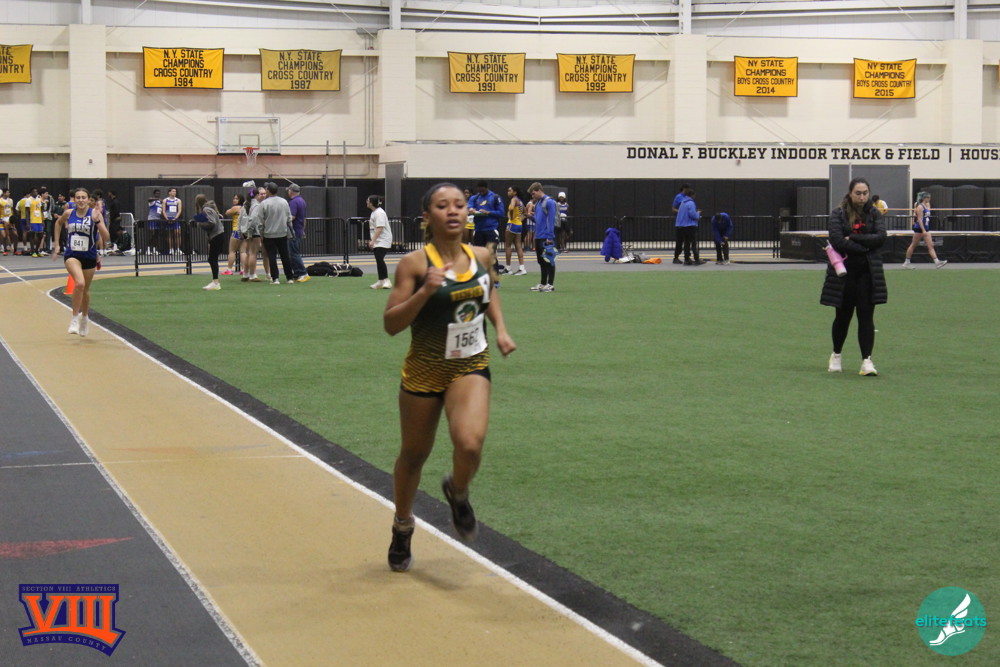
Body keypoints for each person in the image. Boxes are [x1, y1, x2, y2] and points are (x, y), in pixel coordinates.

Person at [382, 182, 516, 572]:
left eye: (460, 204)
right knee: (414, 455)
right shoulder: (413, 264)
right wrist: (425, 291)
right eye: (443, 206)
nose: (454, 211)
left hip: (469, 365)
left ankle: (458, 492)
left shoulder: (482, 255)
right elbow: (391, 324)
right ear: (427, 217)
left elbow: (490, 292)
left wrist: (501, 329)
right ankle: (402, 525)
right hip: (425, 370)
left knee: (470, 444)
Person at [821, 177, 887, 376]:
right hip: (844, 275)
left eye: (865, 193)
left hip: (868, 274)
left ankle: (867, 361)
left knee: (866, 317)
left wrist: (855, 238)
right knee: (842, 317)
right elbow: (837, 240)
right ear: (850, 193)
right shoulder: (838, 214)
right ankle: (836, 355)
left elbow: (881, 237)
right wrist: (865, 247)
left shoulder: (874, 213)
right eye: (858, 193)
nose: (862, 197)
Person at [52, 188, 110, 337]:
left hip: (89, 255)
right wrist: (57, 244)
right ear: (74, 199)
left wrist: (97, 221)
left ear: (88, 199)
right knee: (79, 283)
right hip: (72, 255)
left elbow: (106, 237)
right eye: (78, 197)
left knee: (85, 290)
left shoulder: (94, 214)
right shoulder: (69, 213)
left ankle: (84, 318)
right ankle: (74, 319)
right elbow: (58, 223)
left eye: (83, 197)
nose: (81, 200)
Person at [258, 181, 295, 284]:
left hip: (268, 234)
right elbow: (289, 218)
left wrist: (261, 233)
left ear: (268, 190)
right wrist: (290, 231)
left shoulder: (264, 203)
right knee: (285, 256)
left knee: (272, 257)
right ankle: (289, 277)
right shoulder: (284, 202)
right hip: (282, 233)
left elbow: (260, 221)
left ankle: (275, 278)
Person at [467, 180, 505, 275]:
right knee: (479, 255)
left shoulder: (495, 197)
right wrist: (470, 210)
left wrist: (488, 212)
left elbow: (501, 213)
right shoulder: (474, 198)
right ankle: (481, 277)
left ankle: (495, 279)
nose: (481, 192)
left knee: (491, 254)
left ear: (486, 188)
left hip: (491, 229)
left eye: (483, 190)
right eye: (479, 191)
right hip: (478, 230)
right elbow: (468, 207)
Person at [902, 192, 948, 269]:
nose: (929, 199)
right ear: (924, 198)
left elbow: (927, 214)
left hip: (926, 228)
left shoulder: (926, 205)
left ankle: (937, 262)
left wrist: (925, 229)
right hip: (920, 228)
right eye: (928, 198)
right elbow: (919, 219)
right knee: (913, 245)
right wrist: (923, 230)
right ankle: (907, 262)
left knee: (930, 245)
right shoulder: (920, 207)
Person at [191, 193, 226, 291]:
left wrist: (199, 224)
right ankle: (215, 281)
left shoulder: (206, 209)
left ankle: (216, 282)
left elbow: (211, 222)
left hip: (216, 235)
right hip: (217, 235)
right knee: (212, 259)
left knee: (212, 259)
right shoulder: (210, 208)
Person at [528, 182, 557, 292]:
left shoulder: (549, 202)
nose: (533, 196)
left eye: (533, 193)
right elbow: (538, 220)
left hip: (546, 236)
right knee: (541, 261)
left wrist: (550, 237)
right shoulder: (538, 203)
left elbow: (551, 220)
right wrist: (530, 216)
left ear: (539, 190)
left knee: (549, 260)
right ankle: (543, 283)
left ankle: (550, 284)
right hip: (538, 235)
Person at [367, 194, 393, 289]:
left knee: (379, 258)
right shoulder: (374, 212)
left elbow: (380, 227)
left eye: (368, 200)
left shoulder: (379, 213)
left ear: (371, 203)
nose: (366, 202)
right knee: (378, 259)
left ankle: (387, 280)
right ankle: (381, 281)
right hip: (378, 240)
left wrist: (372, 240)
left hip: (383, 240)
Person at [286, 183, 310, 282]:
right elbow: (304, 218)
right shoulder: (302, 201)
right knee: (293, 253)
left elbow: (292, 216)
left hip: (293, 231)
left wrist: (281, 221)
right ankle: (297, 273)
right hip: (299, 230)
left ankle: (303, 273)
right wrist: (303, 230)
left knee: (294, 253)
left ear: (290, 191)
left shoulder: (293, 202)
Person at [675, 187, 704, 265]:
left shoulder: (682, 203)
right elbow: (693, 215)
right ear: (692, 195)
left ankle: (687, 259)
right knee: (693, 243)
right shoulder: (691, 203)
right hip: (690, 226)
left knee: (686, 243)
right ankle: (696, 259)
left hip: (682, 226)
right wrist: (698, 214)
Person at [503, 186, 527, 276]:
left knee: (508, 246)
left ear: (515, 192)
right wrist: (520, 219)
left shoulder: (514, 199)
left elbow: (511, 208)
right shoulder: (520, 201)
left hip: (512, 224)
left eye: (510, 190)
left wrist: (512, 217)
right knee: (518, 246)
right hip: (518, 224)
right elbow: (525, 213)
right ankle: (522, 268)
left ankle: (508, 268)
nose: (508, 192)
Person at [223, 193, 244, 276]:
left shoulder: (236, 208)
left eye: (237, 198)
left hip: (236, 231)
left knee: (232, 251)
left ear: (240, 200)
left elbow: (227, 213)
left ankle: (229, 269)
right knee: (243, 252)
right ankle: (244, 270)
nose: (234, 200)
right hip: (244, 231)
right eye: (234, 198)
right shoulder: (245, 208)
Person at [672, 183, 690, 264]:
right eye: (687, 189)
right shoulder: (678, 197)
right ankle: (676, 257)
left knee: (687, 240)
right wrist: (681, 211)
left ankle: (687, 257)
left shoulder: (688, 197)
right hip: (680, 222)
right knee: (679, 241)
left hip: (687, 222)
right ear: (684, 189)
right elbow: (673, 208)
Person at [162, 187, 183, 255]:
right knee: (169, 234)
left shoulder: (178, 200)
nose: (175, 192)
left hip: (175, 219)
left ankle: (178, 249)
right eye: (173, 191)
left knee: (177, 234)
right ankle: (171, 249)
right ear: (169, 192)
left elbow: (179, 210)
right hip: (168, 219)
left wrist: (175, 218)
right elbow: (163, 210)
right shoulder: (165, 200)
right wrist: (167, 219)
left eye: (175, 191)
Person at [146, 188, 163, 255]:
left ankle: (154, 249)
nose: (158, 195)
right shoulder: (153, 201)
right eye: (157, 193)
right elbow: (149, 199)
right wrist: (157, 199)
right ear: (154, 194)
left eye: (159, 194)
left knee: (156, 235)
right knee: (152, 235)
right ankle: (148, 249)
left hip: (158, 219)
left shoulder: (160, 202)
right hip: (152, 219)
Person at [0, 189, 13, 255]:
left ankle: (10, 245)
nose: (9, 193)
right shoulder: (0, 201)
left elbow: (11, 209)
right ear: (4, 193)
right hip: (2, 219)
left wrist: (12, 217)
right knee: (3, 235)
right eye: (8, 192)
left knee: (13, 233)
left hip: (9, 219)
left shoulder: (10, 200)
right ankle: (3, 246)